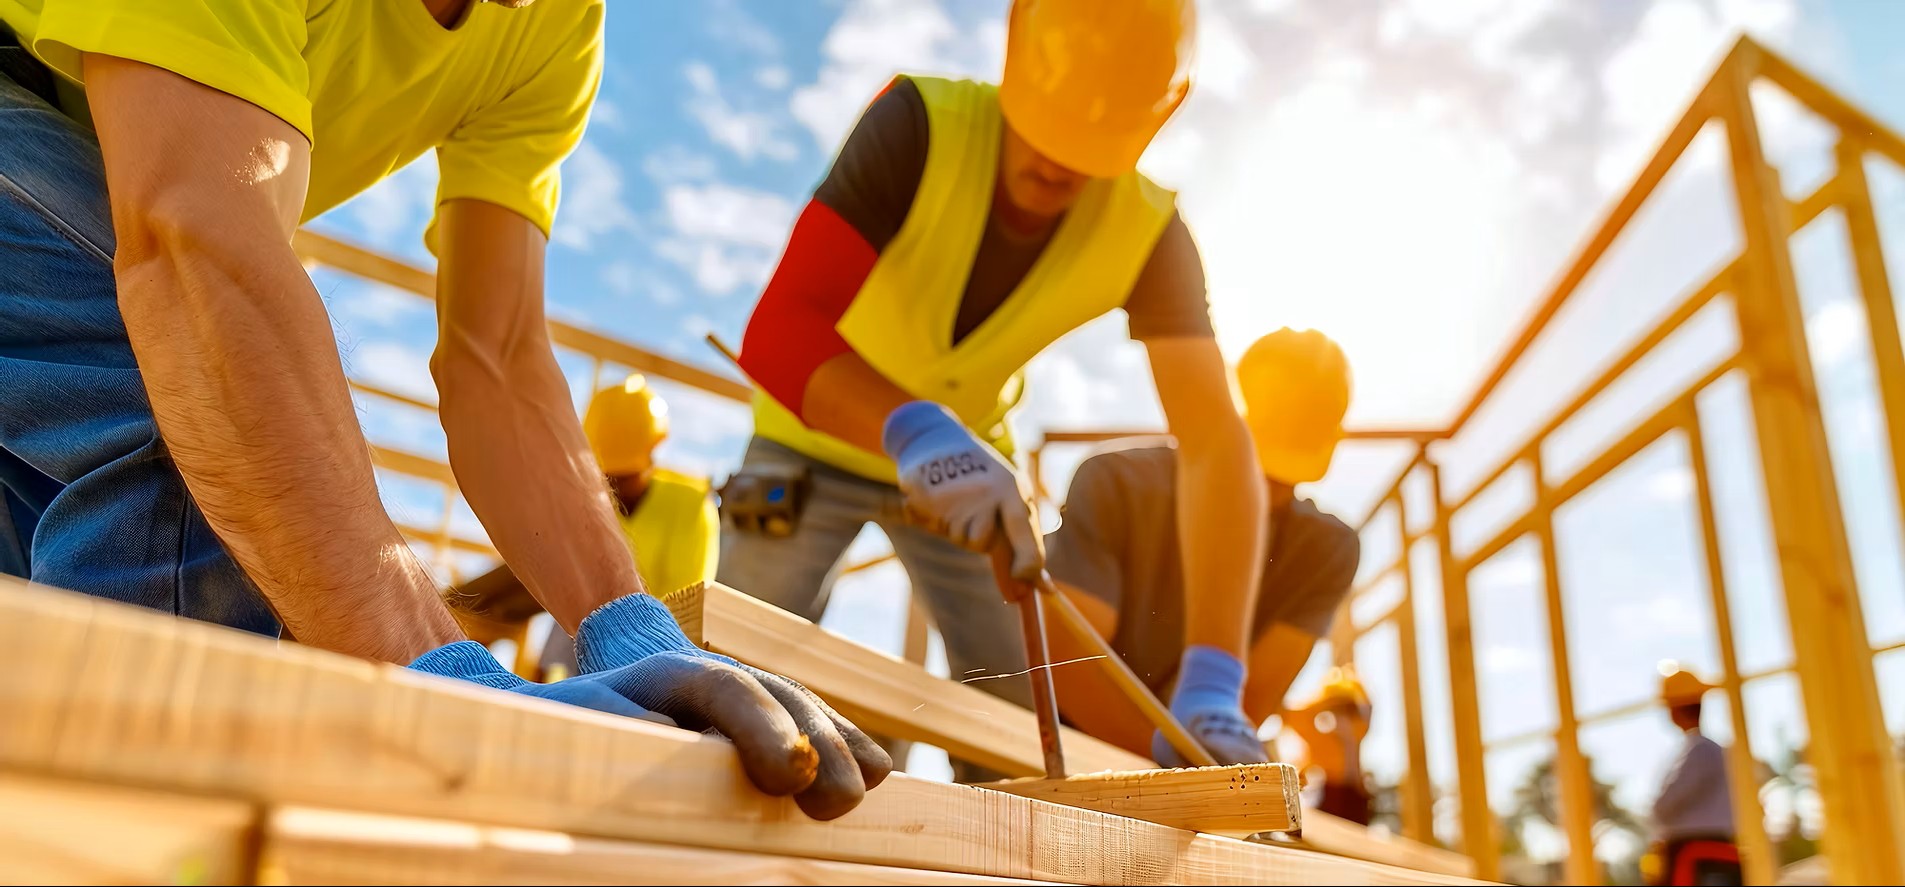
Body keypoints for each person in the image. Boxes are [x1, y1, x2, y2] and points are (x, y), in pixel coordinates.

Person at [0, 0, 885, 820]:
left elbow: (496, 360)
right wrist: (439, 675)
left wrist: (628, 626)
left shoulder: (553, 26)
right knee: (206, 403)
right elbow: (191, 250)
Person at [722, 0, 1270, 771]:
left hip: (971, 481)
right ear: (1013, 40)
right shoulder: (917, 123)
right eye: (1047, 130)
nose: (1059, 164)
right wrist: (913, 428)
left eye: (1091, 149)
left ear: (1163, 112)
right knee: (741, 677)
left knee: (1017, 729)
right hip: (807, 437)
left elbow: (1216, 443)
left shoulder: (1150, 232)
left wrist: (1214, 677)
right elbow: (778, 329)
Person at [1041, 328, 1361, 760]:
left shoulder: (1327, 550)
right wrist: (1170, 765)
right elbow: (1070, 668)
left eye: (1281, 483)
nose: (1262, 496)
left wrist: (1188, 774)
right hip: (1067, 750)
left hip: (1183, 765)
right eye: (1260, 475)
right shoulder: (1115, 482)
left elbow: (1251, 700)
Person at [454, 374, 720, 679]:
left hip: (648, 640)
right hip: (583, 612)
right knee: (505, 588)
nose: (613, 488)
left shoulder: (691, 507)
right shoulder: (589, 499)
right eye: (607, 477)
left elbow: (685, 613)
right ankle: (450, 631)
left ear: (652, 454)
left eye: (623, 477)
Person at [1648, 667, 1742, 886]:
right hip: (1712, 854)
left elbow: (1664, 806)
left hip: (1695, 855)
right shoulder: (1711, 751)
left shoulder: (1700, 752)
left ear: (1674, 709)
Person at [1285, 668, 1374, 825]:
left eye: (1350, 709)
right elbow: (1290, 715)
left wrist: (1351, 683)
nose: (1346, 716)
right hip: (1329, 794)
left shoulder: (1357, 732)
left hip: (1357, 796)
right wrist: (1328, 698)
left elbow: (1368, 707)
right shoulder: (1319, 737)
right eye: (1340, 709)